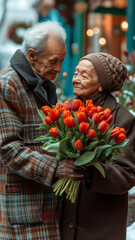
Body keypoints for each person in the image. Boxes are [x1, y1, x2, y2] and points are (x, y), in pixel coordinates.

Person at [0, 21, 83, 240]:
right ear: (32, 55)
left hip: (45, 207)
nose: (59, 69)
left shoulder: (43, 83)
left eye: (62, 61)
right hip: (23, 210)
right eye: (54, 61)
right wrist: (55, 167)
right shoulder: (8, 85)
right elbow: (8, 149)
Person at [61, 52, 135, 240]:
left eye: (84, 75)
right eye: (76, 73)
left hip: (101, 227)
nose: (75, 79)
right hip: (65, 224)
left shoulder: (123, 119)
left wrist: (88, 170)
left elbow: (126, 175)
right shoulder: (67, 110)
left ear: (101, 84)